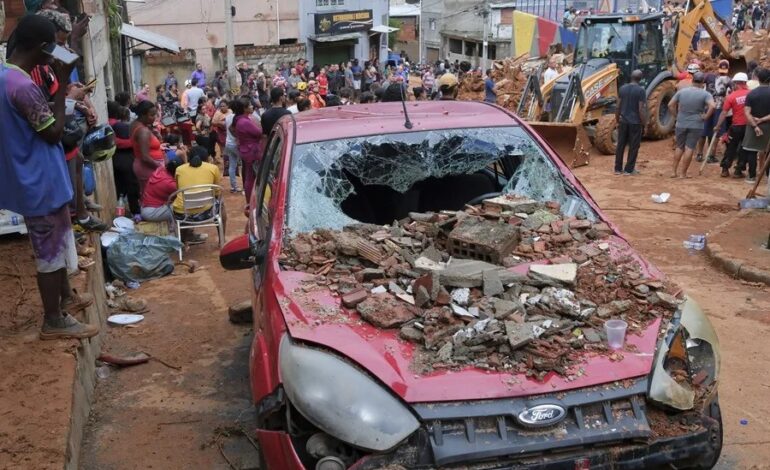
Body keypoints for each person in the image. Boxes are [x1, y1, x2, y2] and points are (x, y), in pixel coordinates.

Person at [0, 15, 98, 339]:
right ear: (42, 48)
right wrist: (61, 86)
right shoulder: (23, 87)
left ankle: (66, 298)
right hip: (38, 178)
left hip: (36, 175)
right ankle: (54, 320)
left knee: (60, 239)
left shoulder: (6, 76)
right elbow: (55, 133)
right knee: (48, 250)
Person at [668, 72, 716, 178]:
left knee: (679, 147)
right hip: (696, 124)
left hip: (681, 122)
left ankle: (673, 172)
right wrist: (706, 116)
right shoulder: (705, 94)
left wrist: (676, 116)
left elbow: (670, 104)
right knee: (689, 148)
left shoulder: (682, 92)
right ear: (702, 82)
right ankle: (683, 174)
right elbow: (712, 106)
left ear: (692, 80)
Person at [173, 146, 225, 241]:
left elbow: (178, 189)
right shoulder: (213, 168)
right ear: (206, 158)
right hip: (207, 212)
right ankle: (222, 239)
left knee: (179, 205)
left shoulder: (179, 169)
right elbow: (217, 192)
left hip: (183, 215)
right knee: (221, 205)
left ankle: (184, 240)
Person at [715, 72, 750, 177]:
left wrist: (718, 125)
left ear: (735, 83)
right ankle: (738, 171)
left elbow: (724, 112)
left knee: (731, 147)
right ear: (745, 82)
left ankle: (725, 169)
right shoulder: (751, 94)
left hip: (736, 126)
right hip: (748, 126)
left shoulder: (731, 96)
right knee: (744, 148)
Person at [108, 102, 141, 215]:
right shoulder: (119, 126)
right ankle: (135, 211)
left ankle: (122, 211)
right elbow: (122, 142)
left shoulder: (109, 124)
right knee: (132, 187)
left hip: (114, 160)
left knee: (120, 188)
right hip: (125, 159)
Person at [739, 67, 770, 183]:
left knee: (751, 150)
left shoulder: (751, 94)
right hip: (768, 126)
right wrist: (762, 120)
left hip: (752, 126)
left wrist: (756, 125)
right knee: (768, 152)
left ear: (758, 79)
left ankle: (752, 176)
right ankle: (767, 176)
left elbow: (747, 112)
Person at [614, 70, 647, 176]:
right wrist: (644, 124)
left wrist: (617, 119)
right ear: (640, 79)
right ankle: (629, 169)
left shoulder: (622, 89)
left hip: (623, 121)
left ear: (631, 77)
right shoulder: (641, 91)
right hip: (635, 123)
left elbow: (618, 106)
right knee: (633, 146)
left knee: (620, 145)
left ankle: (617, 169)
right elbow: (640, 109)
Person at [232, 96, 264, 203]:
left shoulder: (240, 120)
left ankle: (251, 199)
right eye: (250, 105)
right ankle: (251, 200)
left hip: (247, 150)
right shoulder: (244, 121)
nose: (252, 107)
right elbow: (259, 132)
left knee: (249, 175)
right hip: (251, 151)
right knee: (251, 177)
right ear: (244, 108)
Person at [130, 101, 166, 193]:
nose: (154, 118)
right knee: (153, 196)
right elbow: (145, 157)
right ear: (143, 115)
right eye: (152, 115)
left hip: (144, 166)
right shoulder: (143, 131)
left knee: (146, 194)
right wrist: (161, 167)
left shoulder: (136, 125)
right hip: (148, 167)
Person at [140, 157, 183, 223]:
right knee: (183, 205)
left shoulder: (160, 170)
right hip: (152, 213)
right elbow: (184, 192)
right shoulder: (170, 184)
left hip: (147, 208)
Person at [224, 100, 240, 192]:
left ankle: (233, 187)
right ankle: (246, 187)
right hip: (236, 144)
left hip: (228, 143)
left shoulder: (228, 117)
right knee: (246, 165)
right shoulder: (238, 117)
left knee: (232, 165)